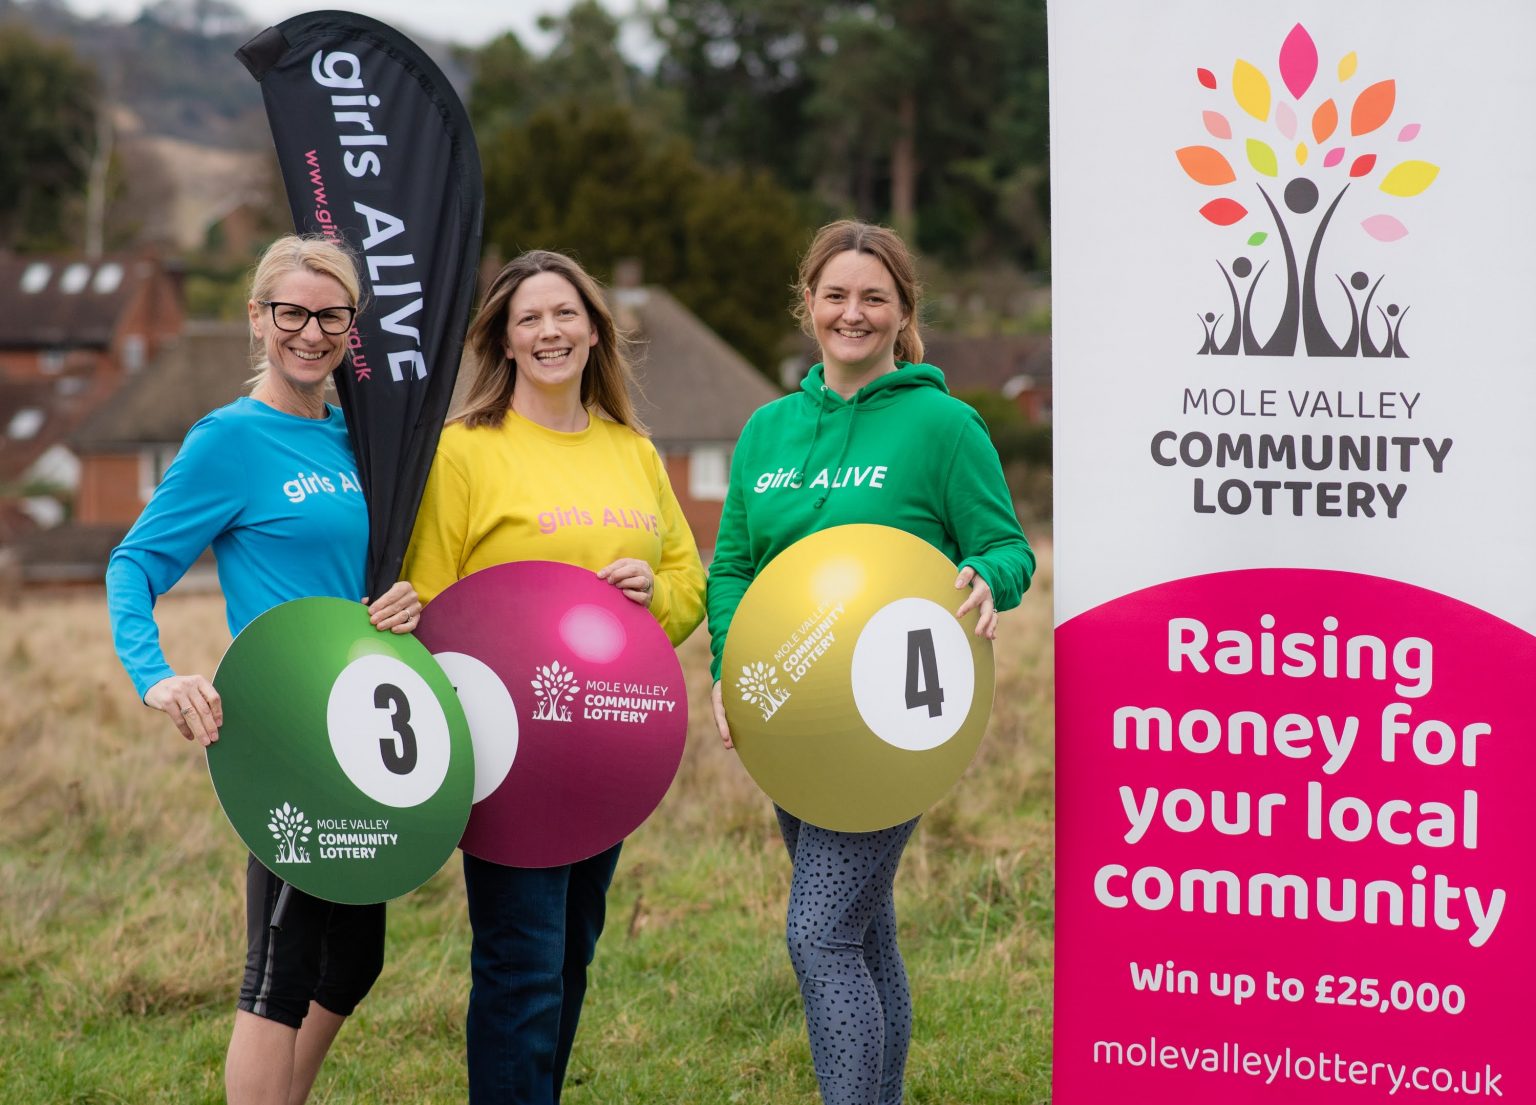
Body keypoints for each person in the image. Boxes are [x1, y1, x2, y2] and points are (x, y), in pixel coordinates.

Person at [706, 219, 1035, 1105]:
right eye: (836, 295)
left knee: (817, 934)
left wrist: (984, 577)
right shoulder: (767, 431)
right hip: (787, 710)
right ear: (808, 304)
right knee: (862, 929)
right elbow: (733, 565)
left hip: (895, 717)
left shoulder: (944, 424)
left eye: (873, 298)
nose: (853, 314)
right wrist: (730, 673)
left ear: (902, 313)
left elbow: (1008, 550)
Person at [106, 234, 422, 1105]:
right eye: (292, 313)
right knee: (281, 967)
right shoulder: (230, 441)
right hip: (284, 731)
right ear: (257, 318)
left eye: (331, 315)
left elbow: (377, 566)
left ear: (353, 327)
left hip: (363, 721)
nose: (312, 333)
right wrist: (157, 674)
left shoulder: (361, 441)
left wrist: (404, 600)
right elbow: (133, 565)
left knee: (355, 959)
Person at [402, 249, 706, 1104]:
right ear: (502, 338)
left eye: (565, 314)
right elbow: (425, 598)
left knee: (570, 955)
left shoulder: (633, 451)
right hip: (503, 753)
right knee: (520, 964)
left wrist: (652, 597)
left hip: (605, 747)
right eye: (529, 317)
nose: (549, 332)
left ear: (595, 330)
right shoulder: (463, 453)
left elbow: (688, 583)